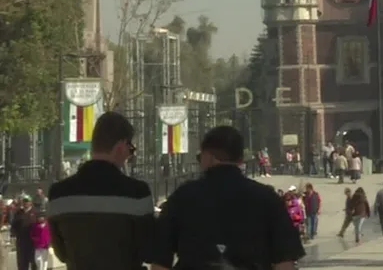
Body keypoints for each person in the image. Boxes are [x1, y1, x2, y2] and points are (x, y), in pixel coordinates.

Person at [152, 126, 304, 269]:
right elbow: (285, 260)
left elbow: (160, 259)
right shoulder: (267, 198)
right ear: (240, 159)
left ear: (209, 157)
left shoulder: (182, 197)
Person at [48, 112, 154, 270]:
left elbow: (62, 254)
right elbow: (148, 252)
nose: (129, 155)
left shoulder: (58, 194)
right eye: (130, 149)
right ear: (120, 147)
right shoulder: (137, 193)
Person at [11, 194, 36, 270]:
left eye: (27, 201)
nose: (25, 203)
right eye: (24, 201)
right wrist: (13, 235)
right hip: (21, 242)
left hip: (33, 242)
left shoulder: (35, 212)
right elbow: (13, 226)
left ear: (30, 202)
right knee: (22, 263)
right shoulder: (18, 213)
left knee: (34, 262)